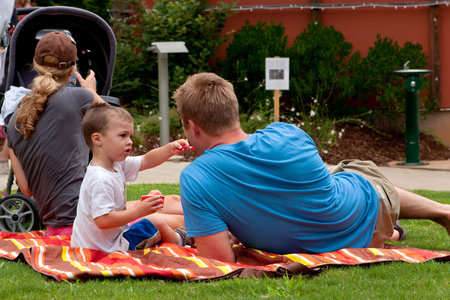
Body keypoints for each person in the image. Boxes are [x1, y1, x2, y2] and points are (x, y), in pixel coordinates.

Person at [173, 72, 450, 263]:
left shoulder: (196, 177)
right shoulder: (287, 134)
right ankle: (441, 211)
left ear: (194, 127)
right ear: (234, 111)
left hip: (356, 240)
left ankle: (413, 222)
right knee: (348, 174)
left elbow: (219, 261)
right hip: (367, 218)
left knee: (346, 171)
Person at [7, 31, 106, 235]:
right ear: (72, 69)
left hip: (55, 229)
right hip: (89, 224)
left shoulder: (14, 120)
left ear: (35, 65)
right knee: (164, 211)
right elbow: (120, 126)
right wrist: (93, 93)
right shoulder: (80, 97)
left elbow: (26, 190)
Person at [71, 105, 187, 253]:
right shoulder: (100, 179)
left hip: (107, 242)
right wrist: (139, 210)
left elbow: (145, 160)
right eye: (123, 135)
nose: (130, 141)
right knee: (155, 221)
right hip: (106, 249)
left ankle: (177, 236)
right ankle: (179, 239)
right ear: (97, 139)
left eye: (130, 136)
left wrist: (169, 149)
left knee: (153, 221)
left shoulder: (115, 165)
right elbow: (103, 220)